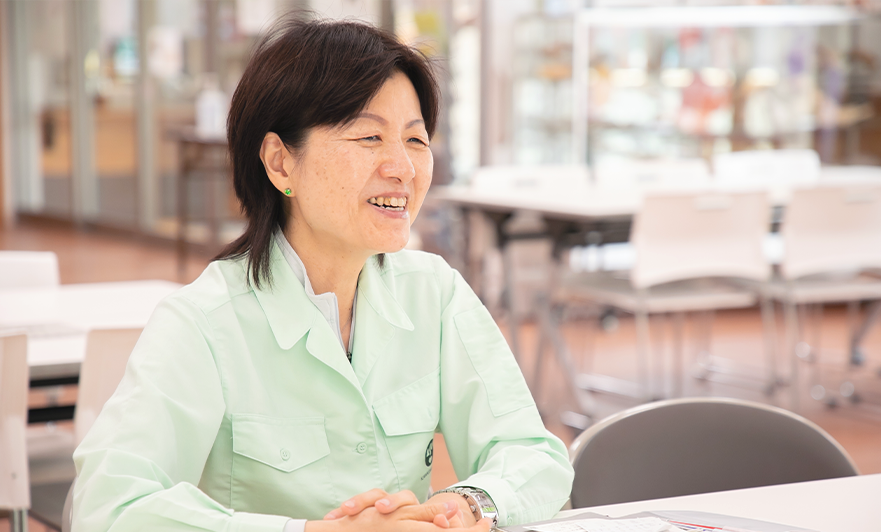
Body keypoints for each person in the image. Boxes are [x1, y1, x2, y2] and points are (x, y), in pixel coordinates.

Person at [72, 15, 573, 532]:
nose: (402, 167)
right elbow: (109, 508)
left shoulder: (435, 293)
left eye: (415, 140)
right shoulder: (203, 322)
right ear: (280, 163)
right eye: (369, 137)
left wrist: (467, 505)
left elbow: (533, 455)